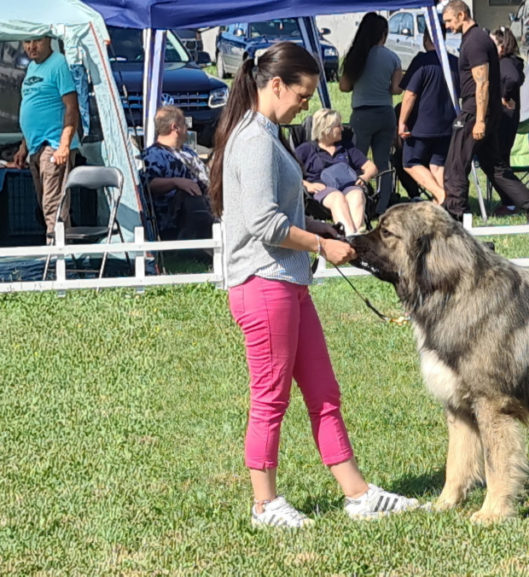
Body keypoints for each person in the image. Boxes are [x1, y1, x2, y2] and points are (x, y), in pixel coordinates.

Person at [207, 42, 421, 528]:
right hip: (264, 283)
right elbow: (264, 223)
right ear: (276, 85)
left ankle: (357, 493)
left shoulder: (267, 133)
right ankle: (264, 503)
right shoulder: (256, 139)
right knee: (271, 397)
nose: (306, 105)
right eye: (302, 95)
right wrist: (321, 245)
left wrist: (318, 229)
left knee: (324, 390)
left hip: (285, 280)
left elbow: (277, 212)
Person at [442, 0, 529, 220]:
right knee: (494, 166)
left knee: (456, 165)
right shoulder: (476, 39)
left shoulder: (475, 41)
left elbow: (483, 82)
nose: (447, 26)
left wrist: (479, 121)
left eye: (448, 20)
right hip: (486, 110)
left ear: (461, 15)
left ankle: (456, 216)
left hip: (475, 110)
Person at [10, 36, 80, 237]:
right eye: (27, 41)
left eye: (37, 41)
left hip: (54, 145)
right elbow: (32, 108)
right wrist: (24, 146)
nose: (31, 46)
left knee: (53, 205)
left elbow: (71, 107)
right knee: (45, 205)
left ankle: (57, 258)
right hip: (35, 146)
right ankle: (63, 254)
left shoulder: (58, 64)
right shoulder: (32, 67)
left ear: (49, 40)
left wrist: (64, 145)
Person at [339, 13, 402, 209]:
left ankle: (358, 200)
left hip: (362, 115)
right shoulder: (392, 57)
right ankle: (383, 205)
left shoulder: (356, 55)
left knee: (358, 160)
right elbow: (396, 89)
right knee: (383, 161)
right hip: (385, 113)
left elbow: (343, 86)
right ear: (383, 34)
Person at [397, 27, 459, 205]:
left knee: (410, 162)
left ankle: (441, 195)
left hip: (422, 126)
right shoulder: (453, 61)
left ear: (425, 39)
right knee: (437, 164)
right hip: (448, 124)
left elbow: (410, 94)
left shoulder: (422, 61)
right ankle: (448, 205)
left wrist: (402, 122)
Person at [140, 105, 216, 245]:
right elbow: (148, 185)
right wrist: (176, 182)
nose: (187, 128)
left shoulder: (189, 152)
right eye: (185, 124)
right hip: (178, 217)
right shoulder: (153, 155)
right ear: (175, 127)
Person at [295, 109, 374, 235]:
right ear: (326, 129)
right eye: (338, 126)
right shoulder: (306, 150)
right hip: (322, 190)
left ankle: (355, 236)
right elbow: (289, 172)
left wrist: (365, 177)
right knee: (337, 197)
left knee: (357, 195)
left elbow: (371, 167)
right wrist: (308, 185)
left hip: (348, 185)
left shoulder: (346, 147)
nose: (342, 129)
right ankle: (347, 237)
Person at [490, 27, 526, 216]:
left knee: (499, 162)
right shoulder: (511, 62)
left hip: (504, 119)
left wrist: (503, 96)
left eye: (492, 44)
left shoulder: (505, 63)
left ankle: (512, 201)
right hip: (508, 119)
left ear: (502, 46)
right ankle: (512, 200)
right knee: (501, 160)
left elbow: (513, 78)